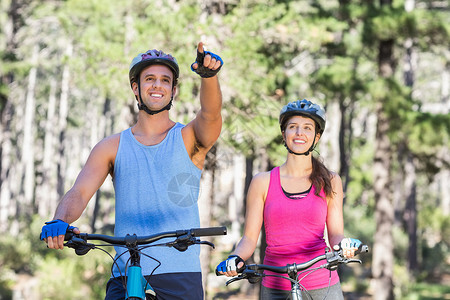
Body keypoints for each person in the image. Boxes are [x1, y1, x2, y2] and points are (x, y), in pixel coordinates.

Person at [40, 42, 223, 300]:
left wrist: (209, 77)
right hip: (125, 274)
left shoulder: (188, 138)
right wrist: (61, 220)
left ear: (173, 91)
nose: (157, 85)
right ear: (136, 88)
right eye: (149, 79)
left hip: (180, 274)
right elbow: (79, 192)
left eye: (165, 80)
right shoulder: (111, 147)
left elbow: (211, 114)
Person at [216, 99, 362, 300]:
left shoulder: (330, 180)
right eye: (293, 127)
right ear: (284, 134)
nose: (299, 133)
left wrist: (346, 246)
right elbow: (249, 238)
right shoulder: (262, 182)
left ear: (316, 137)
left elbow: (336, 235)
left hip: (322, 283)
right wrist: (235, 258)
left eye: (307, 128)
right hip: (275, 284)